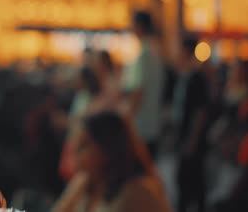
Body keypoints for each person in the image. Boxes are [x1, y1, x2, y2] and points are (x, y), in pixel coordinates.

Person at [52, 111, 173, 212]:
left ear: (108, 149)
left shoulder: (134, 193)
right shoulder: (84, 183)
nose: (75, 152)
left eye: (84, 145)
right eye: (75, 144)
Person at [172, 37, 210, 212]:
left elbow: (200, 112)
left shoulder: (195, 78)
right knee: (190, 179)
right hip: (185, 136)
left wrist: (192, 140)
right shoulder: (185, 76)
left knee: (190, 179)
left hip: (191, 138)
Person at [121, 11, 165, 158]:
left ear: (139, 27)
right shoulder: (156, 52)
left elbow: (137, 93)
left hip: (140, 127)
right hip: (153, 124)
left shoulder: (142, 56)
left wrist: (125, 120)